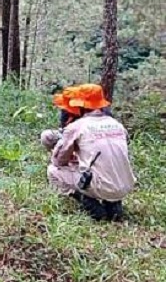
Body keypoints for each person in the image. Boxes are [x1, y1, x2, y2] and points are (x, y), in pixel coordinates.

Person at [47, 84, 135, 221]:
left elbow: (59, 161)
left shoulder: (77, 126)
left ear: (81, 105)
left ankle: (87, 200)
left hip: (98, 184)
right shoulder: (117, 124)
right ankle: (113, 202)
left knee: (53, 171)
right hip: (125, 184)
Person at [40, 86, 82, 151]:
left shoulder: (85, 110)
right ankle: (58, 151)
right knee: (45, 135)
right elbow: (64, 126)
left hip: (82, 137)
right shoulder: (65, 110)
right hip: (67, 135)